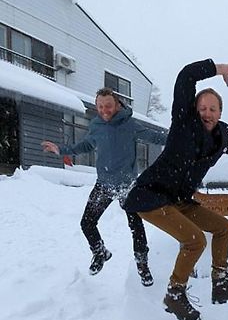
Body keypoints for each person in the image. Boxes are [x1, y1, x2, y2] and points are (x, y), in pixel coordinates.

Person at [123, 59, 228, 320]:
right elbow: (186, 76)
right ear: (194, 110)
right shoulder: (183, 123)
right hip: (151, 195)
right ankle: (175, 293)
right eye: (202, 108)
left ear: (220, 112)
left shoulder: (221, 139)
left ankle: (220, 284)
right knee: (195, 240)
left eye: (212, 109)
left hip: (178, 199)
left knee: (223, 227)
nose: (207, 113)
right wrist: (217, 69)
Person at [42, 87, 154, 286]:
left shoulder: (130, 124)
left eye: (108, 106)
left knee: (136, 226)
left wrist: (180, 138)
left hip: (127, 186)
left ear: (117, 104)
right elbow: (85, 145)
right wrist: (61, 149)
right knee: (87, 223)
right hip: (104, 184)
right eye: (100, 106)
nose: (104, 110)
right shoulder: (96, 125)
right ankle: (100, 253)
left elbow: (156, 137)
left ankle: (142, 265)